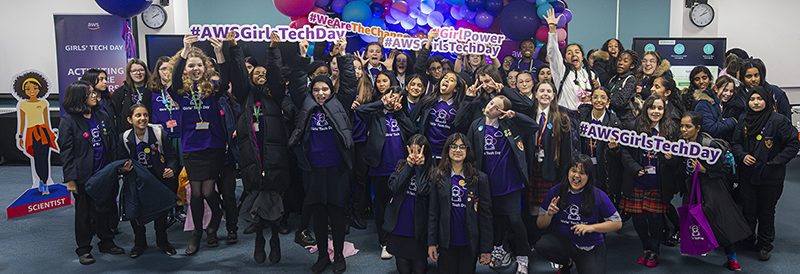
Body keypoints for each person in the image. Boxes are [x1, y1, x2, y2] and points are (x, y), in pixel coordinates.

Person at [288, 39, 357, 274]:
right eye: (316, 89)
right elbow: (297, 81)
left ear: (331, 90)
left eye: (324, 89)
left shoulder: (340, 102)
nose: (320, 93)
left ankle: (338, 255)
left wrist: (344, 54)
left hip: (337, 169)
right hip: (313, 169)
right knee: (318, 214)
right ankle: (322, 257)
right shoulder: (305, 102)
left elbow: (349, 81)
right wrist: (302, 55)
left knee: (337, 213)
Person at [229, 31, 290, 264]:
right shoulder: (245, 95)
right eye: (257, 73)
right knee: (256, 198)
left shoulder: (276, 95)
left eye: (265, 73)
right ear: (251, 77)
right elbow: (237, 74)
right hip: (252, 157)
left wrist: (273, 50)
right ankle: (258, 241)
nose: (262, 75)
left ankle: (274, 240)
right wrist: (234, 48)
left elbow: (275, 74)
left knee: (273, 199)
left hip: (273, 156)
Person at [169, 34, 228, 255]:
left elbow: (225, 79)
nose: (195, 69)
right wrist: (185, 50)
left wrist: (219, 53)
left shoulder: (212, 87)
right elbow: (174, 78)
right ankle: (198, 233)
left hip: (213, 145)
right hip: (191, 147)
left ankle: (215, 219)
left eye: (199, 65)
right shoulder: (179, 91)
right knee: (196, 193)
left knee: (207, 190)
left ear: (205, 67)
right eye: (190, 66)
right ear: (184, 68)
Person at [466, 95, 538, 273]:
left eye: (497, 107)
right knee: (495, 220)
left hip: (510, 182)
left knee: (515, 220)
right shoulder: (477, 125)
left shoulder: (510, 125)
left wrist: (516, 116)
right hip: (487, 183)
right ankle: (498, 249)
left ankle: (523, 257)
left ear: (503, 111)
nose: (491, 107)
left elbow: (533, 126)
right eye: (491, 103)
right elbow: (470, 153)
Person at [59, 81, 125, 265]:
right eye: (90, 93)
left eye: (94, 93)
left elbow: (111, 145)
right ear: (80, 97)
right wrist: (70, 179)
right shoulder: (69, 121)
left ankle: (106, 242)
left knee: (105, 209)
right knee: (84, 214)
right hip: (83, 176)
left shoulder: (102, 115)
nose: (94, 96)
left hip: (105, 173)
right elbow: (66, 152)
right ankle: (84, 249)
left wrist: (115, 168)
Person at [731, 86, 800, 261]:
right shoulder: (744, 119)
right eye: (752, 99)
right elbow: (736, 142)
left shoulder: (779, 121)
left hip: (771, 175)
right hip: (748, 174)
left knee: (767, 211)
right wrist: (742, 155)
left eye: (759, 99)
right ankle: (748, 239)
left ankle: (764, 244)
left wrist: (776, 162)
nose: (755, 102)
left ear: (766, 101)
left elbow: (793, 144)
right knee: (749, 209)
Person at [678, 111, 750, 271]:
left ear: (698, 128)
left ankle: (732, 257)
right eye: (682, 126)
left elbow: (725, 167)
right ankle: (701, 247)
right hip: (692, 187)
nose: (683, 130)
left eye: (688, 126)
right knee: (693, 220)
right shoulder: (680, 143)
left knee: (722, 222)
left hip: (713, 186)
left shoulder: (709, 145)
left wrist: (704, 170)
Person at [356, 86, 418, 258]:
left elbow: (413, 132)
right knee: (382, 205)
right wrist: (380, 103)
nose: (393, 101)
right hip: (380, 168)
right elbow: (360, 110)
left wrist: (399, 113)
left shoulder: (401, 114)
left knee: (402, 204)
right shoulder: (375, 115)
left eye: (397, 98)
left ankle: (401, 238)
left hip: (401, 169)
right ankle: (384, 242)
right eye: (390, 97)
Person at [619, 95, 679, 268]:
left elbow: (678, 159)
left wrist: (670, 158)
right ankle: (646, 247)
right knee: (638, 219)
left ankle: (655, 251)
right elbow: (625, 152)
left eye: (660, 108)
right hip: (637, 180)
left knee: (655, 218)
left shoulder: (671, 129)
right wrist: (635, 168)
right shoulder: (633, 126)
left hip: (658, 183)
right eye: (652, 108)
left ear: (664, 110)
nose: (656, 111)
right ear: (645, 109)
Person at [536, 154, 623, 274]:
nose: (576, 175)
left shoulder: (598, 195)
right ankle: (566, 262)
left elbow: (617, 223)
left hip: (589, 246)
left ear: (588, 176)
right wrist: (549, 214)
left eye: (582, 173)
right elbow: (540, 224)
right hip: (564, 242)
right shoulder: (556, 191)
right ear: (568, 173)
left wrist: (591, 227)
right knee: (541, 244)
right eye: (573, 171)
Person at [427, 133, 492, 274]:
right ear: (447, 150)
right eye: (454, 147)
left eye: (462, 147)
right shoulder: (438, 177)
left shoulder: (480, 179)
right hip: (446, 243)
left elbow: (485, 216)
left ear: (467, 151)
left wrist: (486, 248)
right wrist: (431, 242)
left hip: (469, 243)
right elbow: (433, 213)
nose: (458, 150)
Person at [119, 104, 178, 258]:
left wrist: (171, 168)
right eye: (138, 115)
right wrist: (122, 169)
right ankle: (139, 243)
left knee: (160, 214)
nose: (143, 118)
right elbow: (119, 160)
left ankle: (163, 242)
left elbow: (172, 157)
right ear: (129, 119)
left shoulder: (159, 135)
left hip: (158, 181)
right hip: (135, 182)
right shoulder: (125, 138)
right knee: (136, 213)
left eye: (145, 115)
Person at [526, 81, 573, 248]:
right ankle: (534, 240)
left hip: (552, 170)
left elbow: (567, 152)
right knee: (532, 207)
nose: (545, 94)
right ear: (536, 94)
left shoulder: (561, 118)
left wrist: (565, 177)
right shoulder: (529, 115)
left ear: (554, 96)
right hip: (532, 169)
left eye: (549, 91)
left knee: (551, 207)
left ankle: (550, 243)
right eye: (541, 91)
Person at [385, 134, 433, 274]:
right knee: (403, 269)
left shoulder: (431, 169)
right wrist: (409, 166)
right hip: (400, 225)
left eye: (419, 150)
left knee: (419, 269)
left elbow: (424, 190)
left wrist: (419, 168)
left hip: (418, 227)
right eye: (412, 151)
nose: (415, 155)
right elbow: (394, 187)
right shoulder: (401, 165)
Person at [148, 56, 185, 223]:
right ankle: (168, 209)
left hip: (181, 135)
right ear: (158, 71)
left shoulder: (181, 88)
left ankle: (180, 207)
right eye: (163, 69)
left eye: (170, 68)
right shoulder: (152, 91)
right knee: (167, 173)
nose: (166, 72)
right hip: (162, 138)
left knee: (181, 173)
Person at [544, 9, 598, 110]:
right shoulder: (561, 72)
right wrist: (552, 28)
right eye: (569, 53)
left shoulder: (592, 74)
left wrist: (597, 89)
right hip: (567, 118)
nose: (574, 54)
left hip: (586, 120)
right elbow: (553, 53)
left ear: (582, 57)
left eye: (577, 52)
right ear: (564, 59)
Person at [454, 65, 533, 134]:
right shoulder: (478, 101)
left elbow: (528, 104)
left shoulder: (509, 96)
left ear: (495, 78)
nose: (485, 86)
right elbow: (458, 124)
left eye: (487, 81)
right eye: (482, 83)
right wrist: (467, 99)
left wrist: (503, 90)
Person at [14, 71, 58, 193]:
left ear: (40, 89)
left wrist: (51, 134)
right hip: (31, 134)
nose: (31, 90)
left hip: (44, 132)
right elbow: (22, 123)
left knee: (44, 158)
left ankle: (45, 181)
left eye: (34, 88)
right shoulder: (23, 105)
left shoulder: (43, 103)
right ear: (23, 90)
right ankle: (41, 181)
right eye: (28, 88)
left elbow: (47, 121)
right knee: (37, 158)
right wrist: (21, 137)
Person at [411, 72, 465, 159]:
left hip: (447, 153)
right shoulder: (428, 100)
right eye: (445, 78)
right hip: (427, 151)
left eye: (451, 80)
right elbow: (411, 119)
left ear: (455, 89)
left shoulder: (459, 107)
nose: (446, 80)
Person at [577, 87, 622, 194]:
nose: (599, 100)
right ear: (591, 100)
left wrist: (614, 149)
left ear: (608, 101)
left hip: (604, 169)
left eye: (603, 97)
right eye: (595, 97)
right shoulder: (581, 119)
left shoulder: (614, 123)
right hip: (584, 165)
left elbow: (620, 153)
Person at [112, 58, 153, 133]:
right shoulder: (120, 92)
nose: (138, 73)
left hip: (151, 130)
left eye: (141, 70)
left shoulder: (153, 89)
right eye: (134, 71)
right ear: (129, 73)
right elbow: (116, 115)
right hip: (129, 132)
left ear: (146, 72)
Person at [605, 49, 639, 129]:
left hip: (626, 122)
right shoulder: (613, 78)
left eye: (625, 61)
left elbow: (620, 102)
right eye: (619, 60)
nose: (620, 63)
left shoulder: (630, 79)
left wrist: (606, 99)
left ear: (632, 66)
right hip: (612, 119)